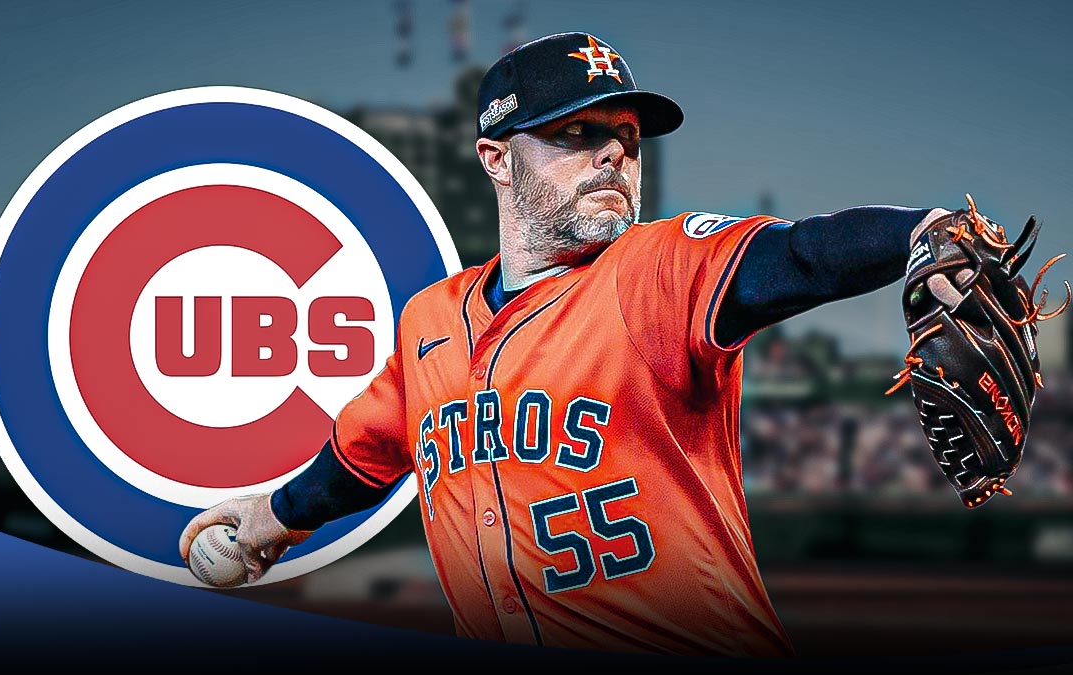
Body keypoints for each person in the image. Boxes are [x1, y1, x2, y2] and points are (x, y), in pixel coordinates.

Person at [179, 32, 946, 657]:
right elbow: (360, 458)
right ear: (496, 159)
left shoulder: (654, 272)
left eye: (625, 138)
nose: (613, 153)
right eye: (576, 133)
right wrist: (268, 522)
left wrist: (920, 233)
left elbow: (799, 255)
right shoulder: (429, 323)